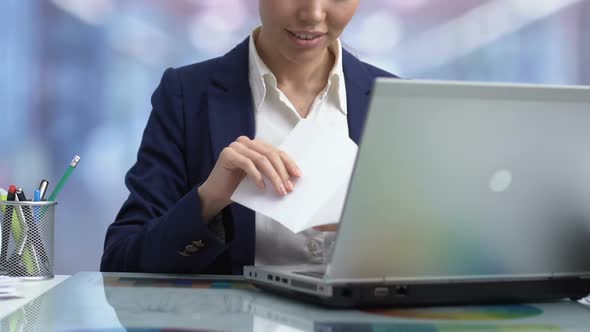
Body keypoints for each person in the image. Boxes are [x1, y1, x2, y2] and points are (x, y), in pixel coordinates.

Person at [100, 0, 397, 274]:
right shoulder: (186, 95)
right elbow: (120, 262)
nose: (313, 14)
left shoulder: (397, 99)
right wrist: (208, 200)